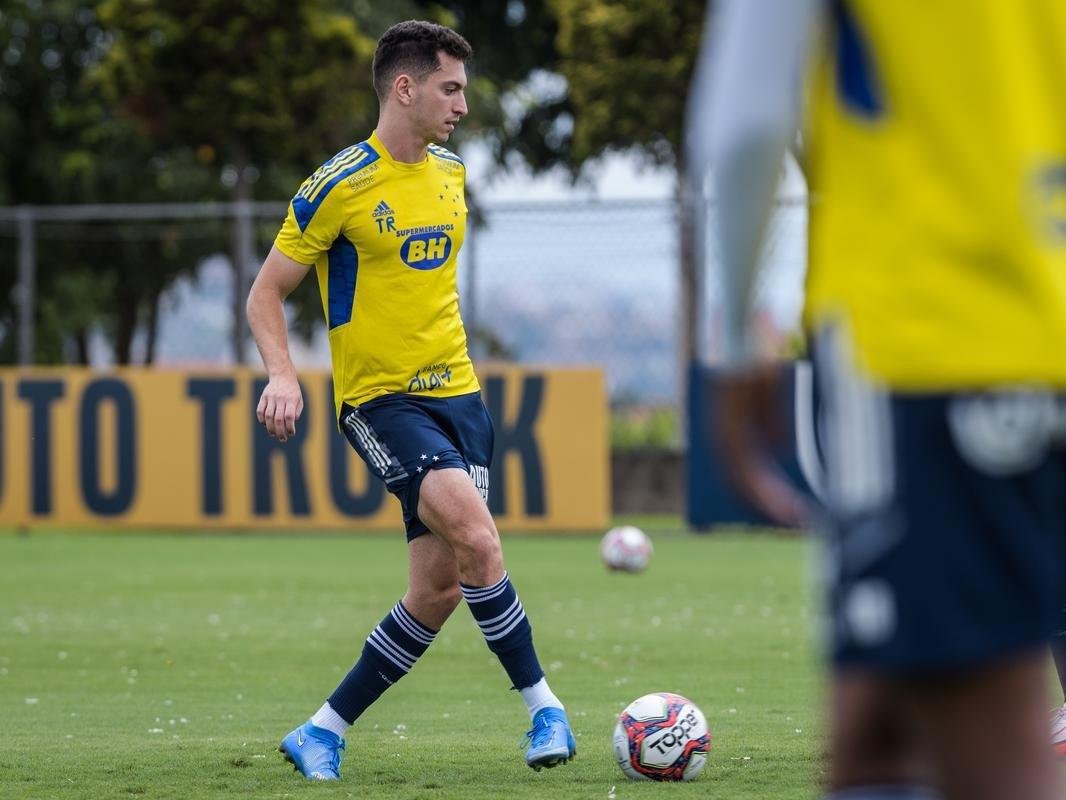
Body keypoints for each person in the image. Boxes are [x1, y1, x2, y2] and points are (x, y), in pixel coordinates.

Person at [689, 1, 1066, 799]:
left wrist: (734, 337)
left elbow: (748, 115)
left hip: (925, 341)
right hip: (1040, 313)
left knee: (993, 747)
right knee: (874, 721)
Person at [245, 19, 575, 782]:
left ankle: (322, 730)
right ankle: (544, 707)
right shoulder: (338, 185)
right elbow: (267, 292)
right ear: (406, 87)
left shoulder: (453, 174)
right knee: (481, 542)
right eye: (450, 88)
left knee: (439, 589)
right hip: (382, 403)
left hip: (461, 400)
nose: (462, 103)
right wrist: (284, 375)